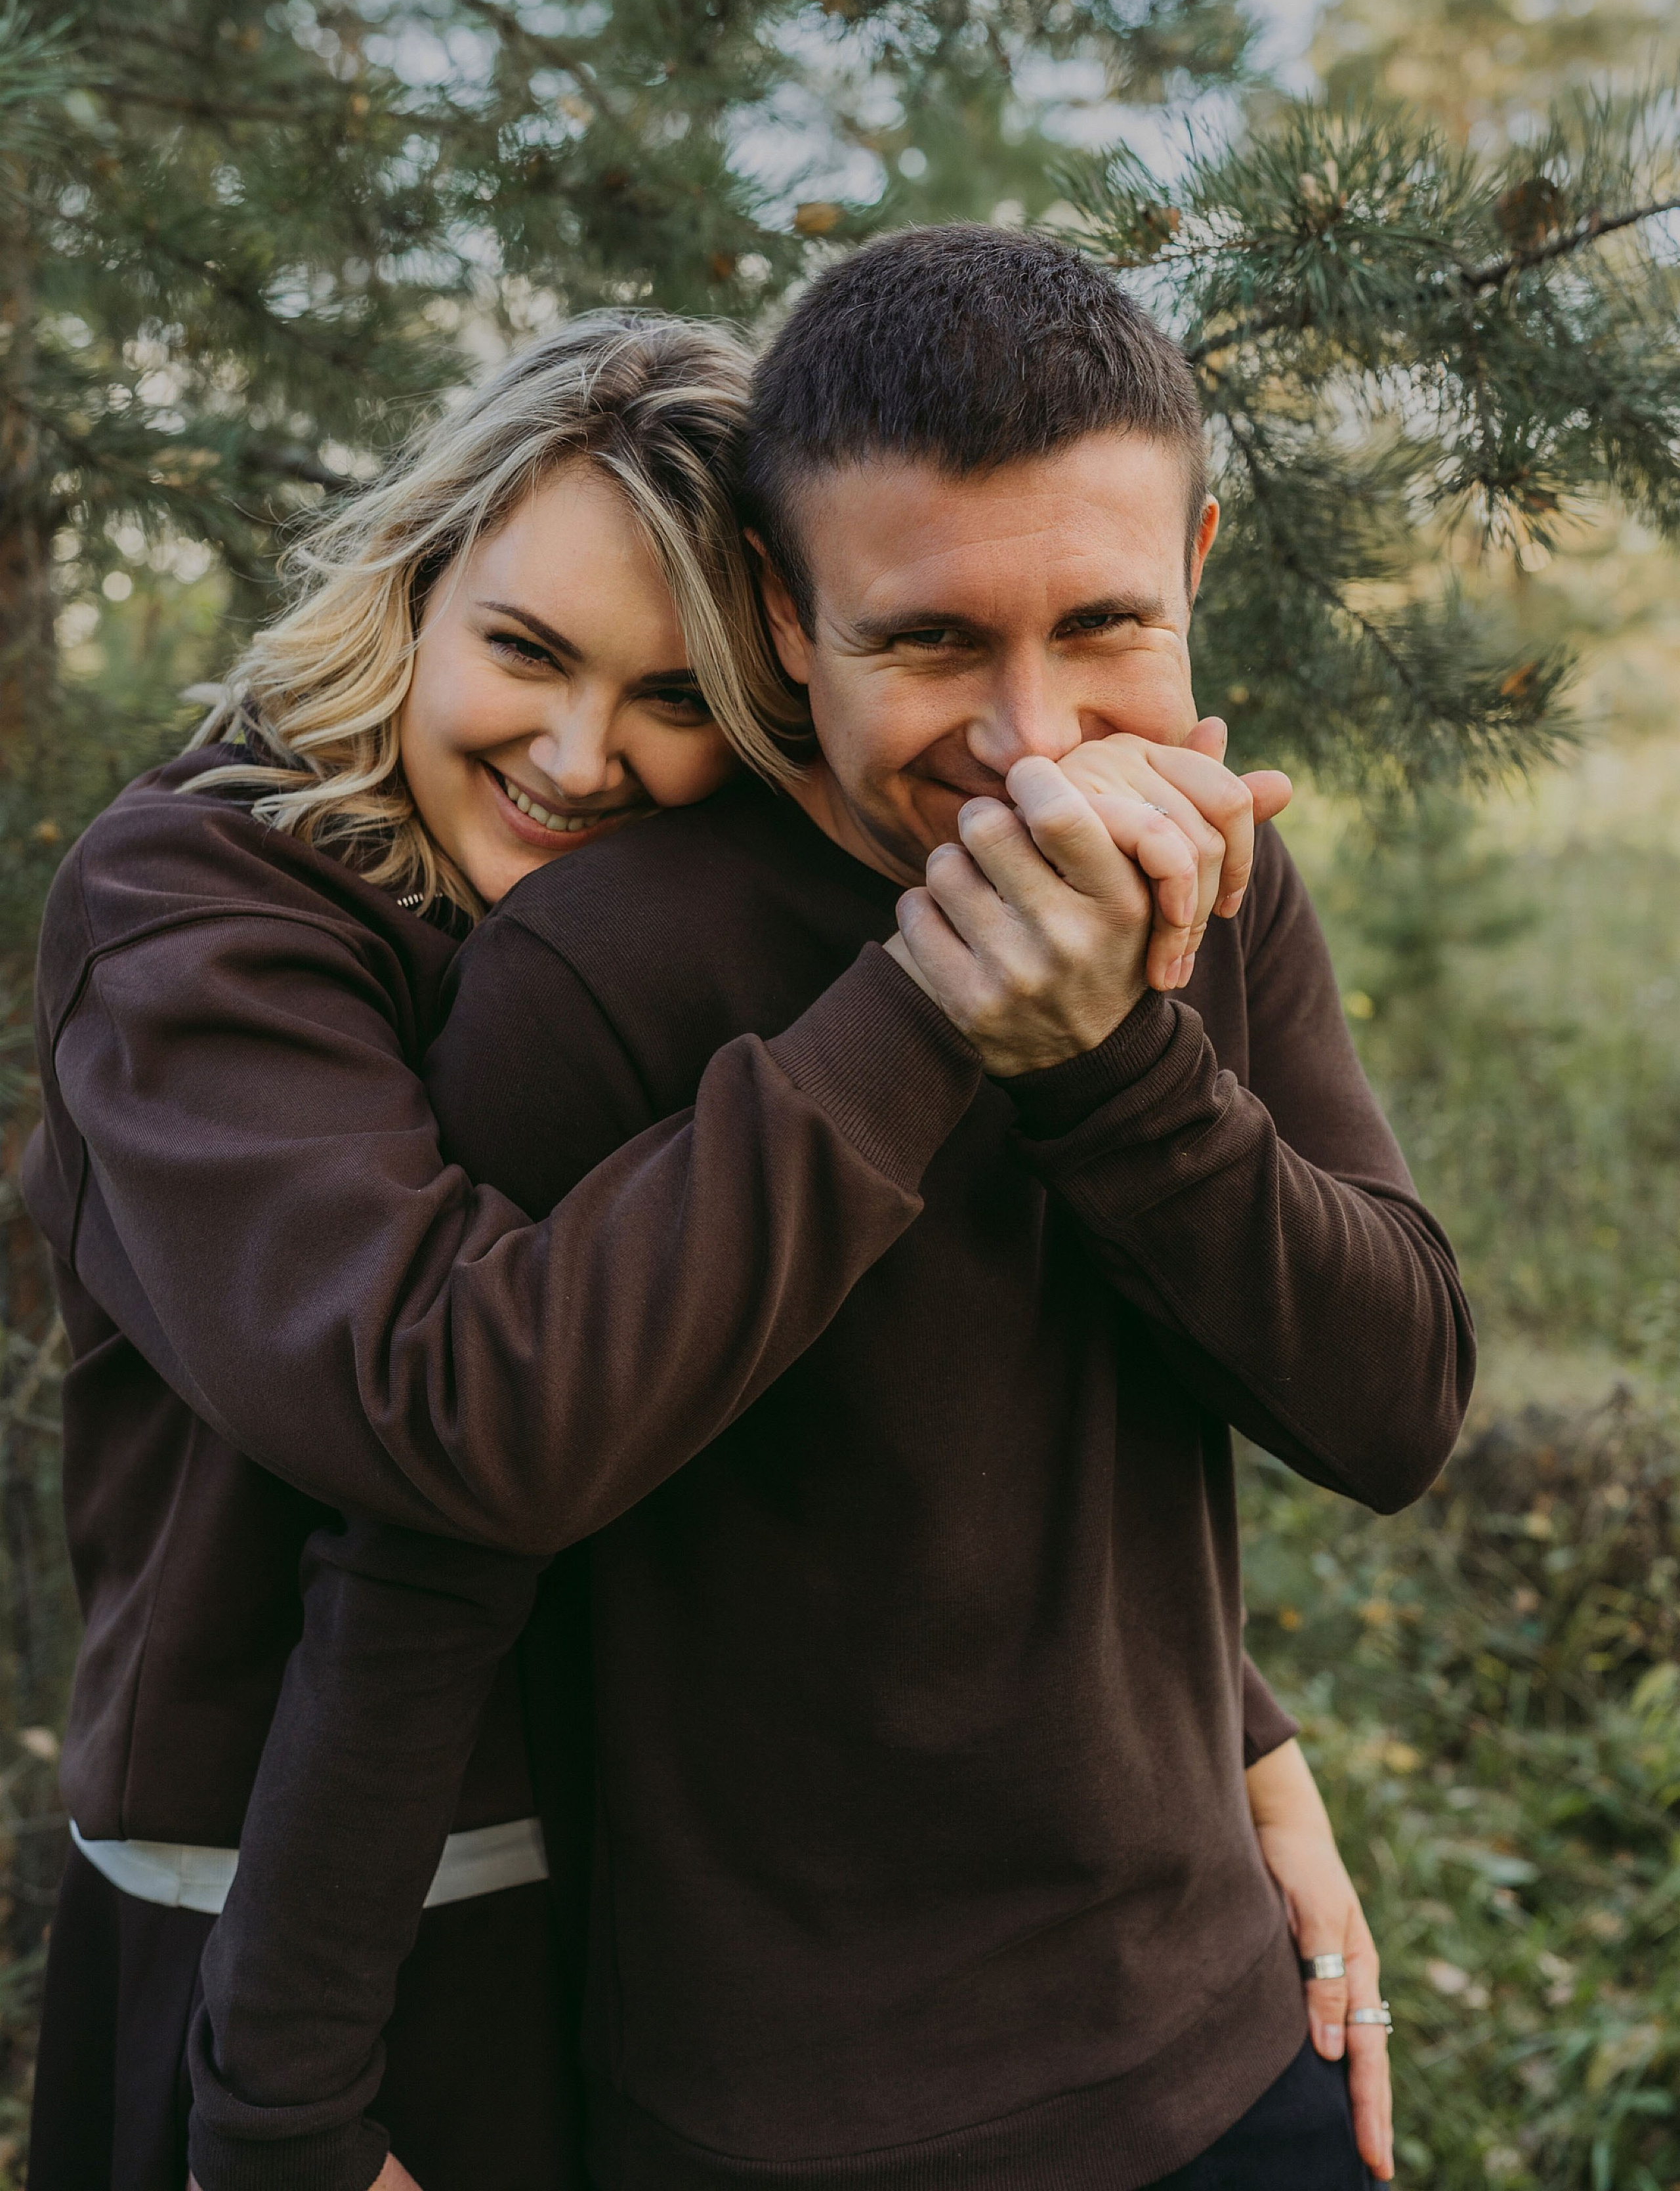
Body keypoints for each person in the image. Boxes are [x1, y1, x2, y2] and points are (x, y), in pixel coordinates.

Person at [184, 228, 1468, 2191]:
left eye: (1106, 627)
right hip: (786, 2128)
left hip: (1226, 2063)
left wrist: (1110, 1066)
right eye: (932, 643)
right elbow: (427, 1567)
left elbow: (1391, 1410)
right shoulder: (602, 967)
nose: (1033, 745)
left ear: (1200, 566)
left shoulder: (1210, 878)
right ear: (785, 618)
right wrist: (276, 2123)